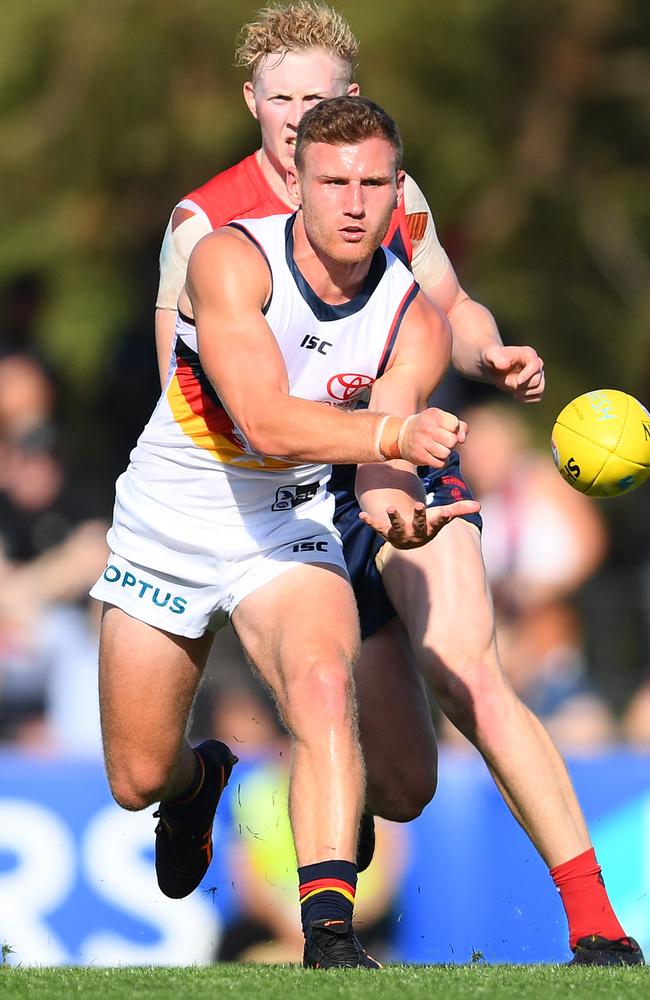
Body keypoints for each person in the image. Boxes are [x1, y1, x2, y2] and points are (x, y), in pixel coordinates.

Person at [153, 3, 643, 966]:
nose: (302, 113)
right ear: (253, 101)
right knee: (404, 783)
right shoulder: (206, 225)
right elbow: (181, 385)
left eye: (323, 96)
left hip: (396, 445)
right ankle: (257, 796)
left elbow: (446, 305)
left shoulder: (380, 184)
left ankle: (597, 925)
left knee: (471, 668)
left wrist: (490, 349)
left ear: (353, 103)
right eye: (284, 96)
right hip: (272, 486)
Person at [91, 95, 478, 969]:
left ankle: (330, 940)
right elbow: (263, 421)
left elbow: (382, 464)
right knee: (137, 777)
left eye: (374, 183)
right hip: (174, 511)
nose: (353, 202)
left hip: (287, 518)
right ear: (294, 183)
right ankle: (199, 784)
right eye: (333, 180)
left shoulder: (413, 317)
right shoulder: (233, 260)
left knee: (317, 683)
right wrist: (391, 438)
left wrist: (398, 511)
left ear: (395, 193)